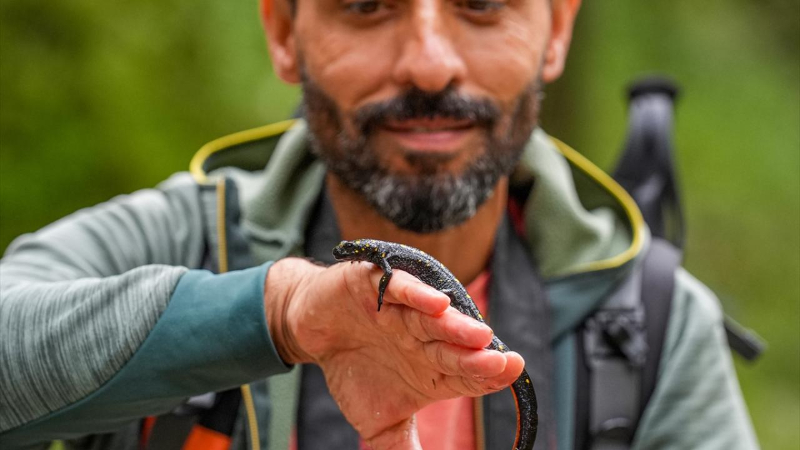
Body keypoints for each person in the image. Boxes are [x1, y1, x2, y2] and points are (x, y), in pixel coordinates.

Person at [0, 0, 758, 449]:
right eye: (366, 4)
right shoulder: (177, 239)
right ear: (282, 30)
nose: (429, 64)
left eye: (482, 3)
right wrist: (273, 313)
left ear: (557, 28)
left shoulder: (656, 325)